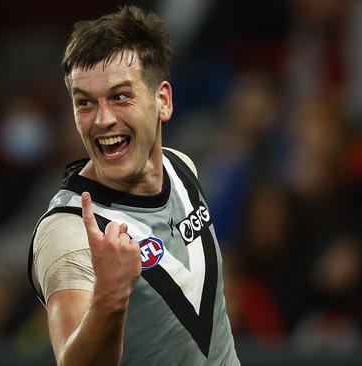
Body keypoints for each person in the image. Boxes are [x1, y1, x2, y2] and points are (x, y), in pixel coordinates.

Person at [27, 6, 240, 365]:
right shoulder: (68, 232)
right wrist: (111, 295)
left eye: (120, 96)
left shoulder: (181, 168)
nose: (103, 119)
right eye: (85, 103)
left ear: (163, 101)